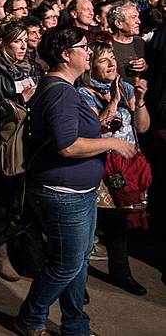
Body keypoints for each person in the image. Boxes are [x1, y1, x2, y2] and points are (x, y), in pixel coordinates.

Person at [15, 26, 137, 336]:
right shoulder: (60, 91)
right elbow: (68, 145)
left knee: (78, 262)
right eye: (83, 47)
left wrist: (111, 107)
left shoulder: (66, 88)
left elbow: (81, 129)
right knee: (65, 265)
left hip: (79, 191)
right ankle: (30, 318)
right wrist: (112, 144)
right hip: (62, 193)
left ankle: (75, 326)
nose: (89, 52)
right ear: (65, 55)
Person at [77, 42, 150, 296]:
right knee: (90, 226)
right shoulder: (83, 93)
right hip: (98, 164)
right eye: (103, 60)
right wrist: (114, 101)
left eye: (112, 59)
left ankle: (121, 272)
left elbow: (142, 128)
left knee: (119, 222)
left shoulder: (126, 86)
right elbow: (93, 129)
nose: (111, 64)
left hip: (125, 166)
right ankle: (78, 282)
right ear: (90, 66)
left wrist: (138, 100)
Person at [0, 20, 43, 282]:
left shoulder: (34, 68)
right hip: (8, 143)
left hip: (33, 141)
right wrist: (19, 101)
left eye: (23, 40)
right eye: (16, 41)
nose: (22, 45)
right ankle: (0, 252)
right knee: (6, 201)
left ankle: (28, 254)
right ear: (4, 45)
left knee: (28, 201)